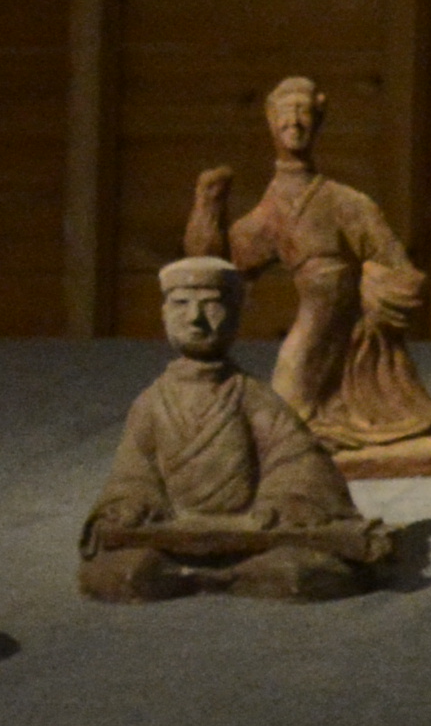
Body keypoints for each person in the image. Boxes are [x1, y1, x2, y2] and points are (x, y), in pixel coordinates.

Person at [185, 74, 431, 474]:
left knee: (290, 421)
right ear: (270, 120)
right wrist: (208, 206)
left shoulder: (346, 203)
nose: (294, 122)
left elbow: (402, 270)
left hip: (355, 330)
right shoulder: (273, 209)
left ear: (318, 120)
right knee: (288, 413)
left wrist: (375, 296)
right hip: (312, 326)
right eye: (285, 113)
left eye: (303, 112)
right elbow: (215, 265)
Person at [79, 257, 392, 602]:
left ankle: (224, 574)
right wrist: (133, 502)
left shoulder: (252, 396)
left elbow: (296, 458)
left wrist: (283, 501)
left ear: (235, 315)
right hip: (172, 534)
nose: (195, 318)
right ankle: (206, 574)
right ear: (164, 313)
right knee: (125, 575)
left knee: (296, 574)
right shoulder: (152, 403)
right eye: (181, 304)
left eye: (211, 305)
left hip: (252, 533)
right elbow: (134, 471)